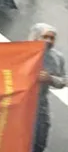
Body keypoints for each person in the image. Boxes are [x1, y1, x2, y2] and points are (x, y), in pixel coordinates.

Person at [29, 23, 65, 152]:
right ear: (36, 37)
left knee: (39, 140)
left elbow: (63, 80)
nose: (48, 41)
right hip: (19, 103)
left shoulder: (57, 58)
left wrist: (50, 79)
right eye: (45, 37)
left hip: (40, 104)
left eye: (52, 38)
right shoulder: (22, 53)